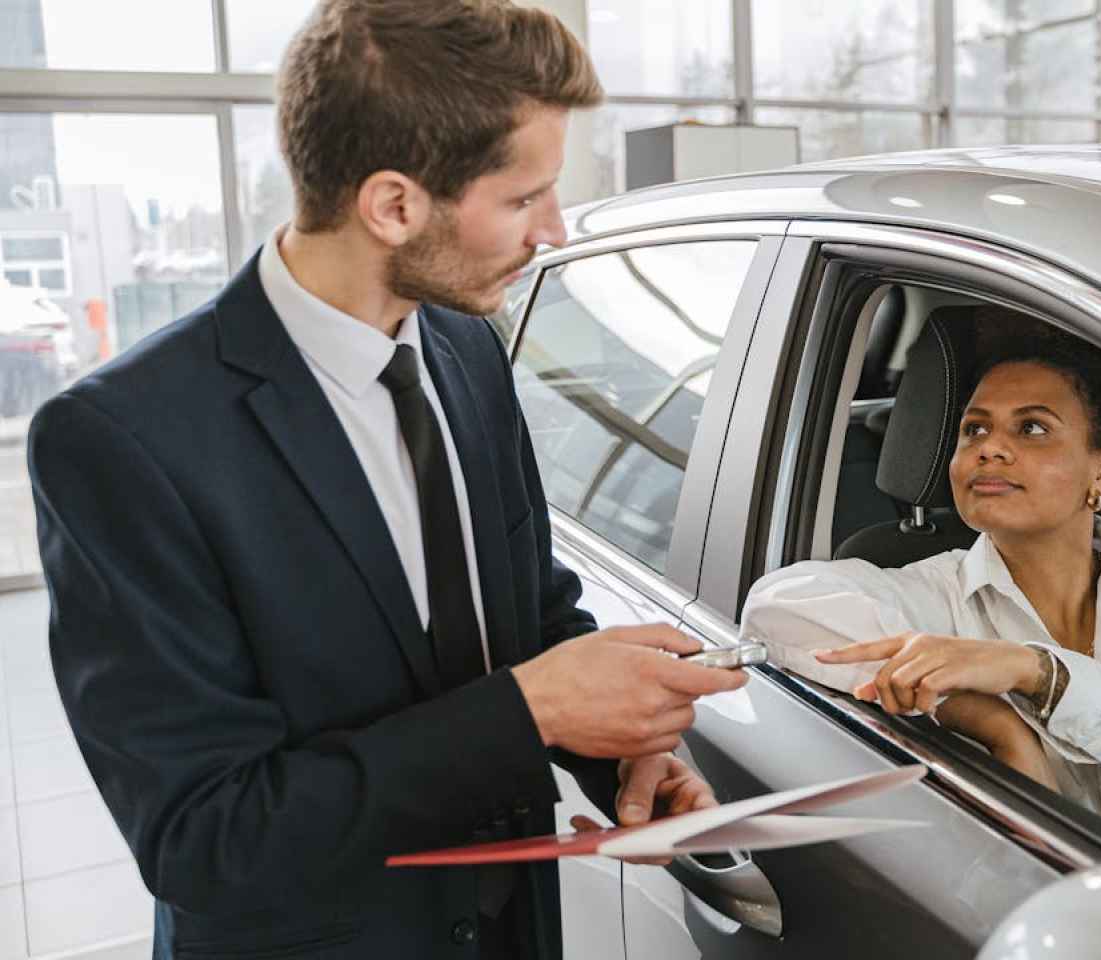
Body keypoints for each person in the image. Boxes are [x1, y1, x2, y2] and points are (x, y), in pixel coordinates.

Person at [26, 3, 745, 958]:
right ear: (395, 205)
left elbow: (527, 619)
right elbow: (205, 839)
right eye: (525, 197)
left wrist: (617, 749)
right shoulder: (123, 440)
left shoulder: (467, 350)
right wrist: (533, 710)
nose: (556, 231)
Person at [741, 312, 1101, 840]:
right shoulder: (930, 595)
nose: (989, 448)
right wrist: (989, 720)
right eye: (974, 429)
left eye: (1032, 428)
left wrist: (1034, 672)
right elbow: (773, 609)